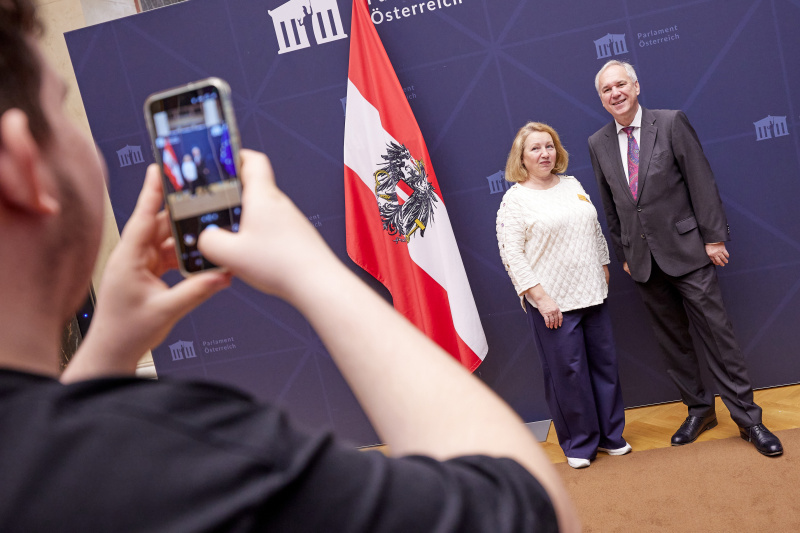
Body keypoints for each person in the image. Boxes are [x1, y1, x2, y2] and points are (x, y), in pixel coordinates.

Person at [0, 1, 579, 530]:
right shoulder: (195, 452)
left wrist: (104, 354)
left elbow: (42, 454)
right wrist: (312, 271)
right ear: (24, 166)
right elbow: (526, 510)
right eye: (61, 109)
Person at [587, 60, 783, 456]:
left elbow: (701, 181)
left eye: (621, 84)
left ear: (637, 86)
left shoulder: (672, 122)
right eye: (607, 90)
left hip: (689, 252)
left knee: (717, 336)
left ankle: (749, 420)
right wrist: (624, 252)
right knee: (672, 343)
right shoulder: (598, 143)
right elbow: (610, 206)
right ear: (602, 99)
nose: (615, 93)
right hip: (643, 263)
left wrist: (713, 239)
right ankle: (699, 410)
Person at [497, 122, 629, 469]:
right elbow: (512, 255)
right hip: (553, 304)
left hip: (592, 293)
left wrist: (603, 263)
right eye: (535, 149)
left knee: (605, 367)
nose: (544, 154)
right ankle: (580, 444)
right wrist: (540, 298)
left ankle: (611, 436)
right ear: (522, 158)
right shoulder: (515, 200)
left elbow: (593, 227)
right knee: (568, 375)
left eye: (549, 146)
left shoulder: (571, 184)